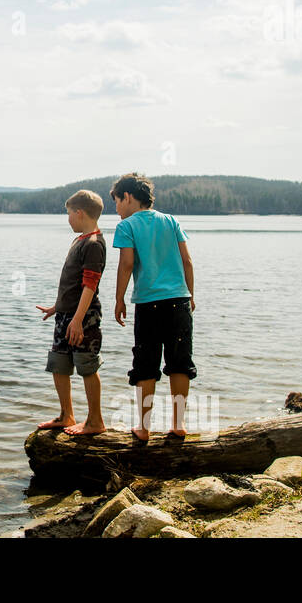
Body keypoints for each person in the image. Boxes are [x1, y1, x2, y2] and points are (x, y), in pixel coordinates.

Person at [110, 173, 195, 442]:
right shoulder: (171, 221)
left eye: (116, 202)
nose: (116, 209)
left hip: (149, 304)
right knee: (180, 362)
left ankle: (144, 428)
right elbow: (187, 261)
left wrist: (119, 298)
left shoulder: (127, 226)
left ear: (127, 197)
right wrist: (190, 294)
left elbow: (125, 265)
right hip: (179, 301)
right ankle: (178, 424)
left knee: (146, 364)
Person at [34, 189, 107, 436]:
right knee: (59, 364)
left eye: (69, 214)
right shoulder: (79, 240)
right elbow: (73, 284)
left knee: (87, 365)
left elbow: (90, 285)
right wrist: (58, 307)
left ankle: (95, 421)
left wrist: (77, 320)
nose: (68, 220)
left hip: (83, 317)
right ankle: (67, 415)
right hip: (66, 315)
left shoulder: (94, 244)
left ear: (79, 212)